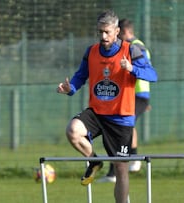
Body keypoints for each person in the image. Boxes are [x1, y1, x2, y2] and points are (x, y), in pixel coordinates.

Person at [56, 10, 157, 203]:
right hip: (96, 112)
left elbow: (153, 75)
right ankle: (95, 160)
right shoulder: (91, 51)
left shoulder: (131, 50)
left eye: (107, 32)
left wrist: (131, 69)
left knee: (120, 168)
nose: (103, 36)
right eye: (99, 32)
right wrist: (70, 88)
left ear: (117, 31)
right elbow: (80, 76)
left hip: (121, 117)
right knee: (73, 131)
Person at [98, 18, 153, 183]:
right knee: (125, 126)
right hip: (133, 95)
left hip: (136, 93)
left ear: (122, 32)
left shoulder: (135, 47)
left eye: (116, 33)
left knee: (120, 127)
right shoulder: (132, 46)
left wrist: (129, 67)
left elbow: (147, 71)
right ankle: (129, 161)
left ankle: (119, 169)